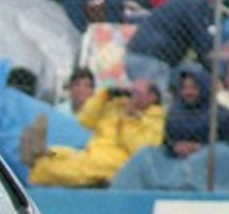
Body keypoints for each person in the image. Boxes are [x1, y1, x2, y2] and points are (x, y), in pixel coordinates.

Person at [25, 78, 165, 187]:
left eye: (137, 93)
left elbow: (140, 150)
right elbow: (85, 120)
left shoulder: (155, 119)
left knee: (55, 168)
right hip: (91, 153)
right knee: (56, 153)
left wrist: (129, 120)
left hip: (115, 163)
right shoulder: (118, 106)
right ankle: (42, 150)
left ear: (152, 97)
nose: (131, 97)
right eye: (131, 92)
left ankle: (40, 163)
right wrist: (104, 96)